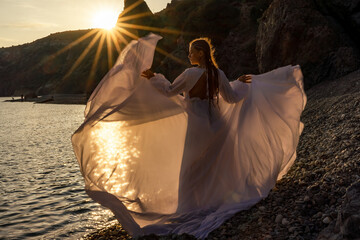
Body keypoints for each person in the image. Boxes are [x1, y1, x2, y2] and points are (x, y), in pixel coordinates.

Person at [72, 33, 306, 239]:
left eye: (192, 51)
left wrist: (154, 77)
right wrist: (243, 85)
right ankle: (213, 200)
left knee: (189, 168)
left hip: (196, 125)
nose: (189, 55)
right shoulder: (219, 74)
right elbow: (233, 98)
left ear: (201, 53)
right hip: (217, 125)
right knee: (212, 166)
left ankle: (187, 208)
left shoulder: (190, 73)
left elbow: (169, 91)